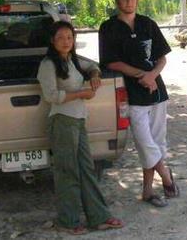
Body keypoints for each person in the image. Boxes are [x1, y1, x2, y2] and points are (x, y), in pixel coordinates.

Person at [37, 21, 124, 234]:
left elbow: (93, 66)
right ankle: (68, 221)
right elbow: (51, 96)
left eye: (69, 37)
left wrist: (94, 76)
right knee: (67, 171)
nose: (66, 42)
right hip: (63, 121)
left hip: (78, 120)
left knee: (86, 169)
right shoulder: (49, 64)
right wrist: (81, 94)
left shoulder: (73, 60)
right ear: (52, 41)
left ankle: (99, 216)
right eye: (60, 38)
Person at [99, 0, 180, 208]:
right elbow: (111, 62)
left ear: (137, 0)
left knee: (157, 141)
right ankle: (166, 176)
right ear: (117, 1)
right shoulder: (108, 28)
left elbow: (162, 57)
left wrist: (152, 76)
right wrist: (141, 75)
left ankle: (147, 191)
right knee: (145, 142)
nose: (128, 2)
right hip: (131, 94)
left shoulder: (148, 24)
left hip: (156, 92)